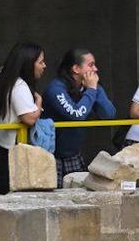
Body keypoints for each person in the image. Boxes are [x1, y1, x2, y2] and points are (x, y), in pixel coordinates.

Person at [0, 41, 46, 194]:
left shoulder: (0, 73)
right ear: (28, 64)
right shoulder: (19, 86)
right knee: (8, 197)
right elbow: (29, 119)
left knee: (2, 192)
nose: (44, 66)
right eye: (41, 62)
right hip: (5, 152)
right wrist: (39, 101)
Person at [45, 48, 117, 177]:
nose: (95, 69)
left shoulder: (90, 87)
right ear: (76, 68)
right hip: (50, 156)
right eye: (91, 65)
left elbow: (109, 114)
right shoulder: (56, 88)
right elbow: (76, 115)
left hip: (74, 155)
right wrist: (91, 90)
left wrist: (95, 89)